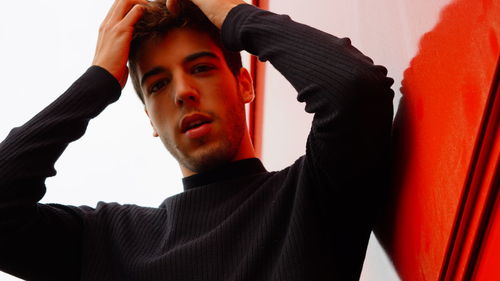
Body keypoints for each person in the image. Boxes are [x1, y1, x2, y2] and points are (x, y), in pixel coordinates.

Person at [0, 0, 394, 280]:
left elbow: (354, 89)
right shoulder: (112, 243)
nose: (183, 92)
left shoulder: (312, 196)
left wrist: (229, 11)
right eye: (157, 84)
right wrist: (99, 79)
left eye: (201, 67)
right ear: (150, 119)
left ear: (244, 84)